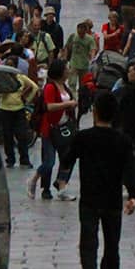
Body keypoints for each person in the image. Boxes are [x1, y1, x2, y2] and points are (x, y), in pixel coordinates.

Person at [53, 91, 135, 269]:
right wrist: (132, 194)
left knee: (88, 248)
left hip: (90, 199)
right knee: (112, 247)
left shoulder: (84, 137)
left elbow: (67, 159)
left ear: (94, 112)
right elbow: (132, 168)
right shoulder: (123, 140)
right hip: (112, 200)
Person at [26, 59, 77, 201]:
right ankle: (34, 179)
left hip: (64, 128)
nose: (68, 71)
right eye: (66, 69)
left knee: (67, 159)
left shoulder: (64, 87)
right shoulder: (50, 87)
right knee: (49, 161)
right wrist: (67, 103)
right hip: (50, 129)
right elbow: (48, 107)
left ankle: (61, 187)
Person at [0, 59, 37, 168]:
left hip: (19, 109)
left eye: (11, 65)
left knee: (22, 136)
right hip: (4, 109)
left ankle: (24, 160)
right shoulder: (2, 79)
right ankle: (10, 159)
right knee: (7, 136)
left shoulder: (21, 78)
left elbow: (34, 87)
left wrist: (26, 99)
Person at [64, 20, 98, 102]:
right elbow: (67, 47)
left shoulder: (89, 39)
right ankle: (73, 100)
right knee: (72, 84)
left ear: (85, 31)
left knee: (83, 85)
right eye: (79, 33)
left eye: (82, 33)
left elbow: (93, 49)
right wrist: (65, 58)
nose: (80, 35)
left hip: (84, 65)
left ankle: (81, 100)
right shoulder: (73, 36)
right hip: (74, 64)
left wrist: (92, 59)